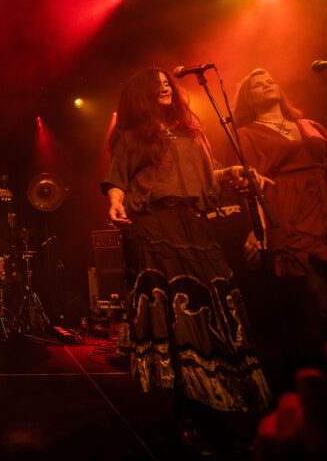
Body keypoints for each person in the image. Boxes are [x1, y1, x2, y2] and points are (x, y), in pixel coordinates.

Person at [101, 67, 272, 454]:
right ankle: (190, 417)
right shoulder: (129, 136)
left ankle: (214, 409)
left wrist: (232, 174)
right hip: (151, 224)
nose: (165, 86)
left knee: (213, 314)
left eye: (167, 81)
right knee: (176, 322)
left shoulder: (192, 133)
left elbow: (206, 177)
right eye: (155, 83)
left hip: (193, 226)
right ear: (141, 94)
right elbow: (117, 179)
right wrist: (114, 202)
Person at [232, 68, 327, 371]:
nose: (267, 85)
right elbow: (253, 186)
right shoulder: (246, 134)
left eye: (270, 80)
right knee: (316, 310)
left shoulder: (310, 125)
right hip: (287, 216)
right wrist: (255, 232)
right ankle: (318, 387)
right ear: (248, 100)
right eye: (257, 85)